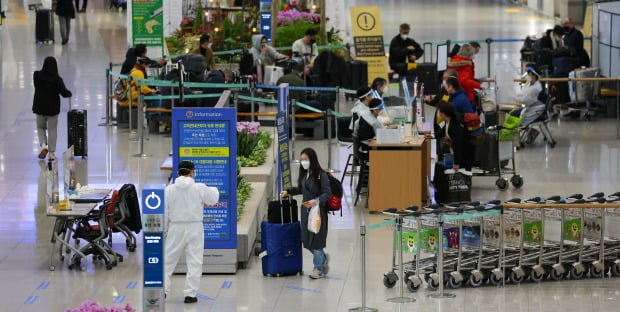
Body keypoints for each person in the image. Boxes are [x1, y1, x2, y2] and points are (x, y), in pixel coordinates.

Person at [164, 161, 219, 303]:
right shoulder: (199, 187)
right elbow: (213, 199)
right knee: (195, 260)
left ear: (178, 173)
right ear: (192, 172)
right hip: (195, 227)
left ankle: (163, 290)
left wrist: (165, 230)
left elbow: (164, 212)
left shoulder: (169, 190)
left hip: (175, 227)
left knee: (168, 260)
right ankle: (190, 294)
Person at [280, 148, 331, 280]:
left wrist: (316, 201)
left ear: (312, 160)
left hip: (318, 213)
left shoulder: (321, 175)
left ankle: (318, 268)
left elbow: (327, 193)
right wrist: (288, 191)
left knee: (316, 241)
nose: (303, 162)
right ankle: (323, 258)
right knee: (306, 241)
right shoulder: (304, 174)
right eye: (301, 159)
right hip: (305, 212)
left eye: (305, 159)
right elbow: (301, 189)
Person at [32, 56, 72, 161]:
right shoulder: (57, 79)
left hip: (39, 106)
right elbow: (64, 93)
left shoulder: (36, 75)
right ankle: (51, 153)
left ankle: (44, 145)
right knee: (52, 130)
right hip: (52, 109)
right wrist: (69, 93)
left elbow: (36, 86)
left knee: (40, 127)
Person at [435, 101, 473, 170]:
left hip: (464, 154)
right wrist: (431, 136)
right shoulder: (449, 119)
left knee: (460, 178)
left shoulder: (455, 125)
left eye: (439, 111)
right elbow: (442, 132)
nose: (438, 113)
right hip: (458, 152)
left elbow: (457, 145)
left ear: (443, 113)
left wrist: (456, 163)